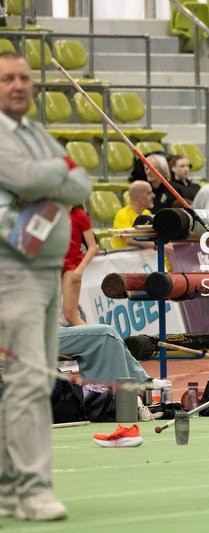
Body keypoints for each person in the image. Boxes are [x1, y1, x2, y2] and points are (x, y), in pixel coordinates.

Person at [0, 51, 91, 521]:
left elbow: (81, 183)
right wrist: (53, 176)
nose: (18, 85)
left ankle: (10, 489)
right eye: (7, 78)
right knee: (28, 381)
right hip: (13, 273)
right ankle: (32, 490)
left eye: (23, 77)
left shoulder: (33, 132)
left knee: (21, 382)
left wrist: (47, 181)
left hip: (46, 270)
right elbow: (25, 176)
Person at [62, 205, 98, 326]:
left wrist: (80, 268)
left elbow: (93, 247)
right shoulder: (51, 211)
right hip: (53, 265)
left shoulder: (79, 215)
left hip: (72, 266)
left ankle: (92, 341)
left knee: (70, 316)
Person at [111, 180, 154, 250]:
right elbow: (129, 239)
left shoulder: (147, 213)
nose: (153, 196)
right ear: (138, 197)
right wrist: (156, 246)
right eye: (149, 193)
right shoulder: (122, 215)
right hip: (125, 258)